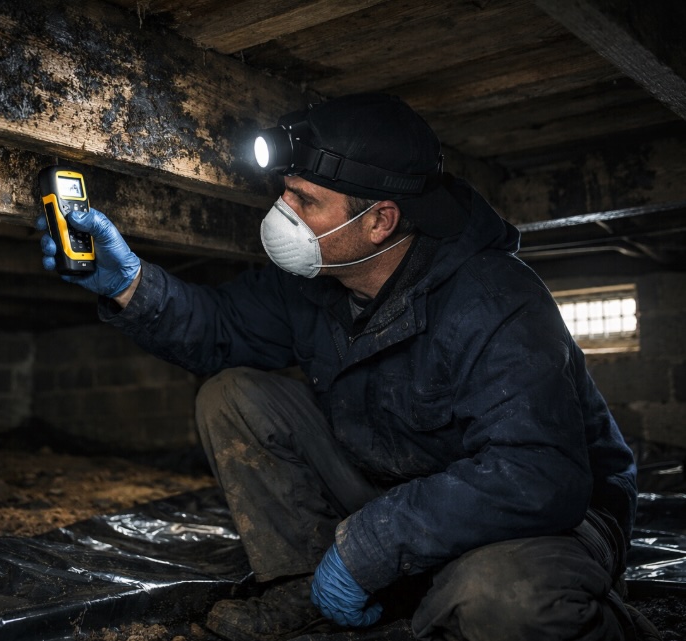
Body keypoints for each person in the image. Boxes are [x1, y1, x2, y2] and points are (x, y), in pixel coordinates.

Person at [37, 93, 660, 641]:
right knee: (233, 395)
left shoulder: (495, 299)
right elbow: (220, 329)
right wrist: (129, 285)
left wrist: (375, 541)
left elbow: (537, 476)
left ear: (380, 221)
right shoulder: (318, 281)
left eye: (305, 201)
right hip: (391, 485)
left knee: (505, 602)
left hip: (542, 518)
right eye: (285, 191)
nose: (283, 211)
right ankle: (304, 590)